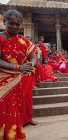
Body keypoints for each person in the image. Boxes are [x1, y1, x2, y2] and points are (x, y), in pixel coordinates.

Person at [0, 10, 36, 139]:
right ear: (4, 22)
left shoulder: (24, 41)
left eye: (17, 24)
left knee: (13, 113)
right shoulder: (0, 38)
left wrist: (31, 64)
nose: (14, 27)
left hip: (18, 82)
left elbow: (33, 57)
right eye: (11, 23)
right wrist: (17, 67)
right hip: (3, 82)